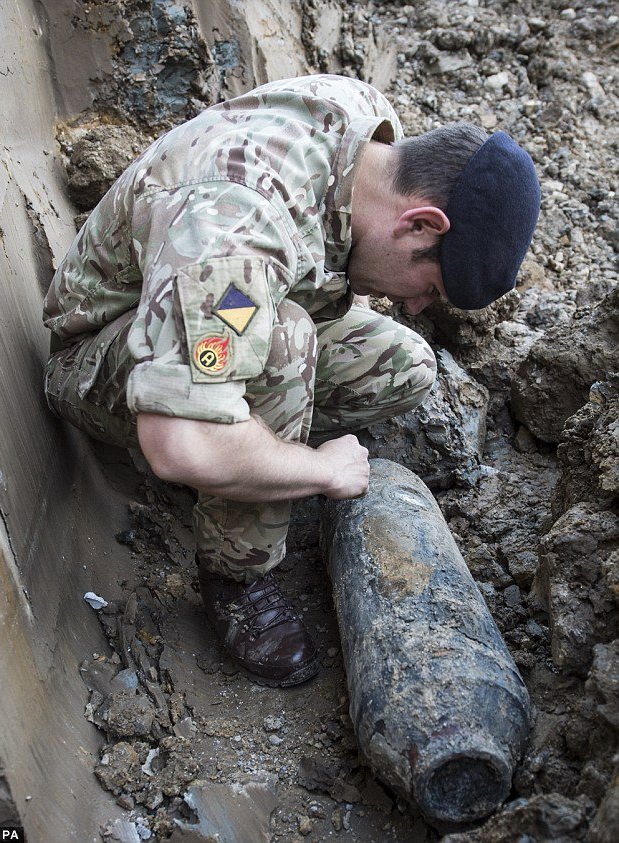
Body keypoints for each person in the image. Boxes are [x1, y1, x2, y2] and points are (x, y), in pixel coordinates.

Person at [43, 74, 540, 687]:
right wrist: (320, 471)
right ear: (420, 224)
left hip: (202, 304)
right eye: (430, 288)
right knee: (284, 342)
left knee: (402, 362)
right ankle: (237, 575)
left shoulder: (366, 131)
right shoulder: (238, 232)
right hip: (101, 357)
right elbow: (181, 444)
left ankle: (245, 459)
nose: (416, 306)